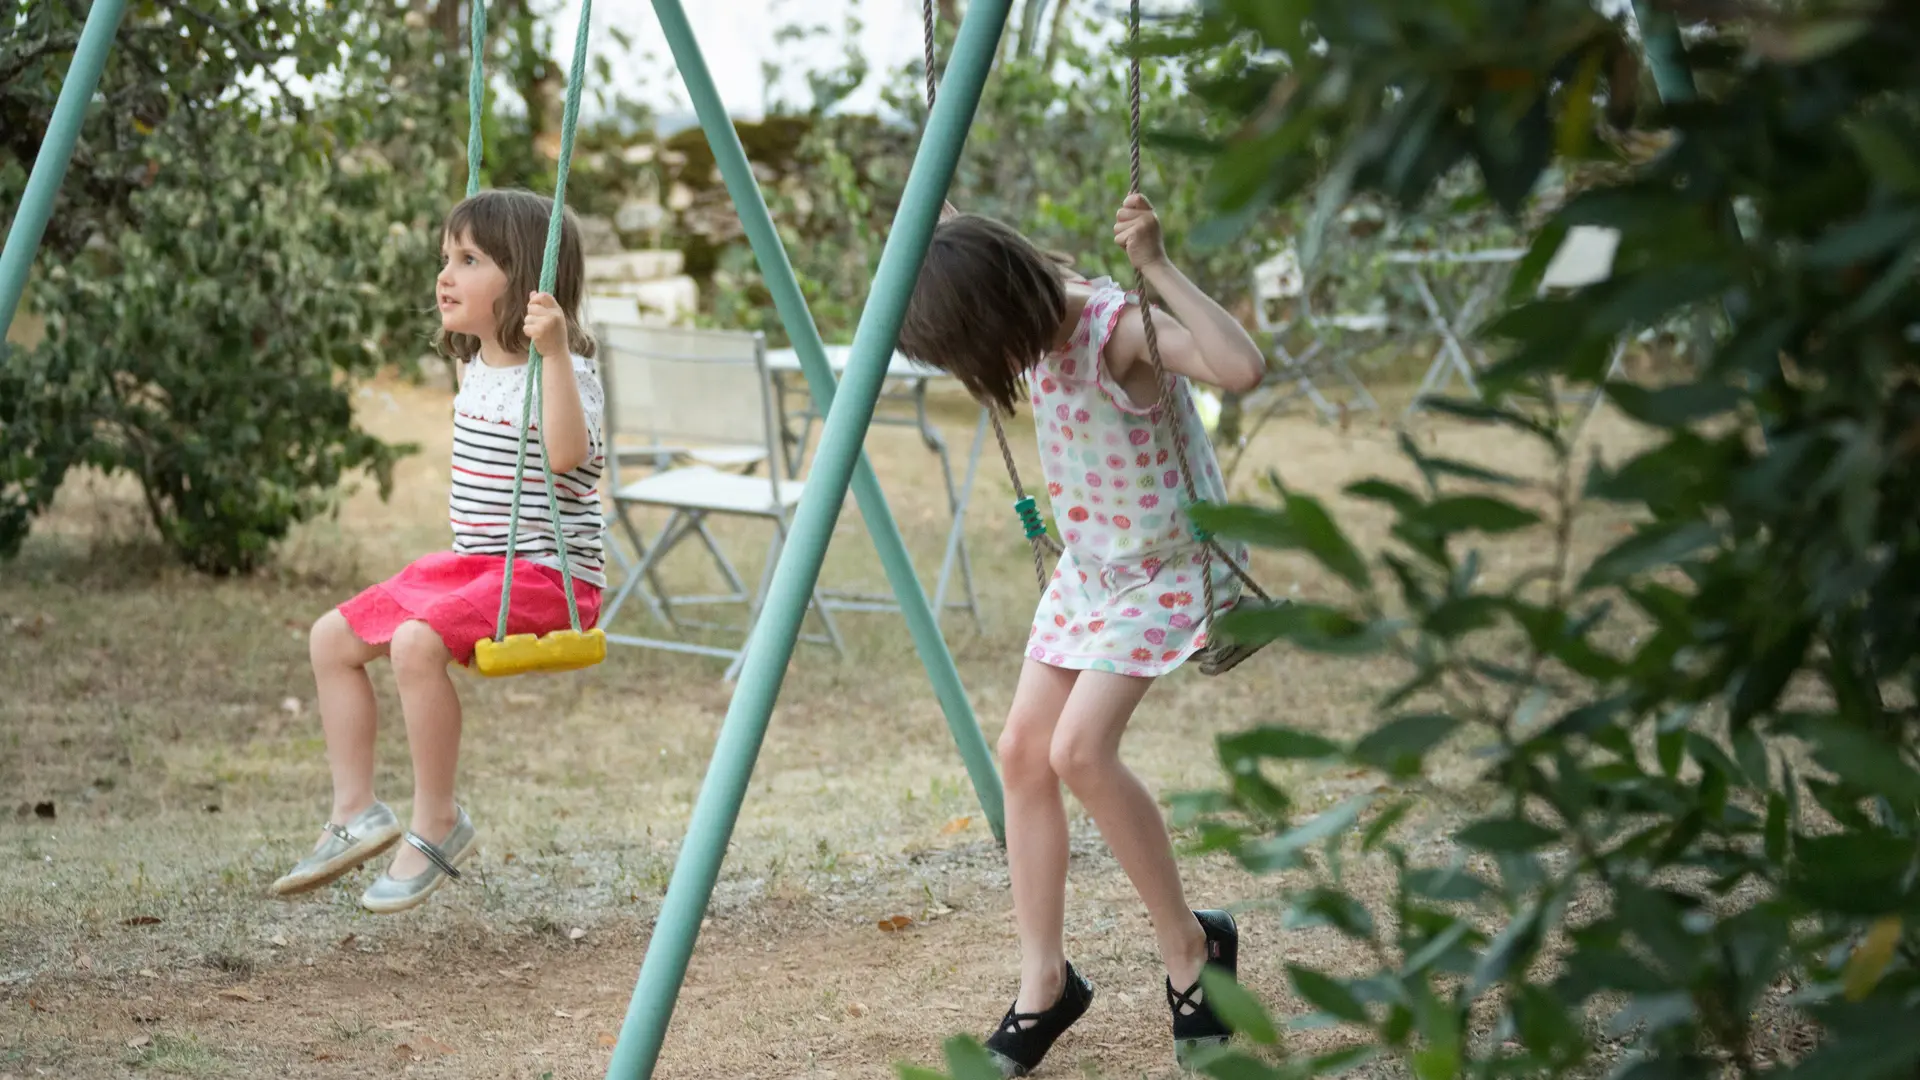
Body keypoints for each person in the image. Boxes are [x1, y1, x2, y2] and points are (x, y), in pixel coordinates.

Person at [896, 194, 1268, 1074]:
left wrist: (1161, 269)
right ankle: (1045, 981)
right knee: (1023, 753)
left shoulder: (1115, 328)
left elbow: (1240, 369)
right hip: (1093, 571)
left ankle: (1191, 951)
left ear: (999, 315)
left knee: (1080, 754)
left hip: (1170, 569)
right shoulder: (1022, 298)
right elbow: (965, 241)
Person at [267, 188, 607, 914]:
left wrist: (549, 349)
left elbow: (565, 454)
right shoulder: (476, 365)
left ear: (526, 282)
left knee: (416, 644)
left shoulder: (568, 372)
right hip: (474, 565)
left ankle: (438, 821)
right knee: (332, 637)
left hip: (550, 578)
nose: (444, 276)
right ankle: (357, 809)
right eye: (444, 259)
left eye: (470, 259)